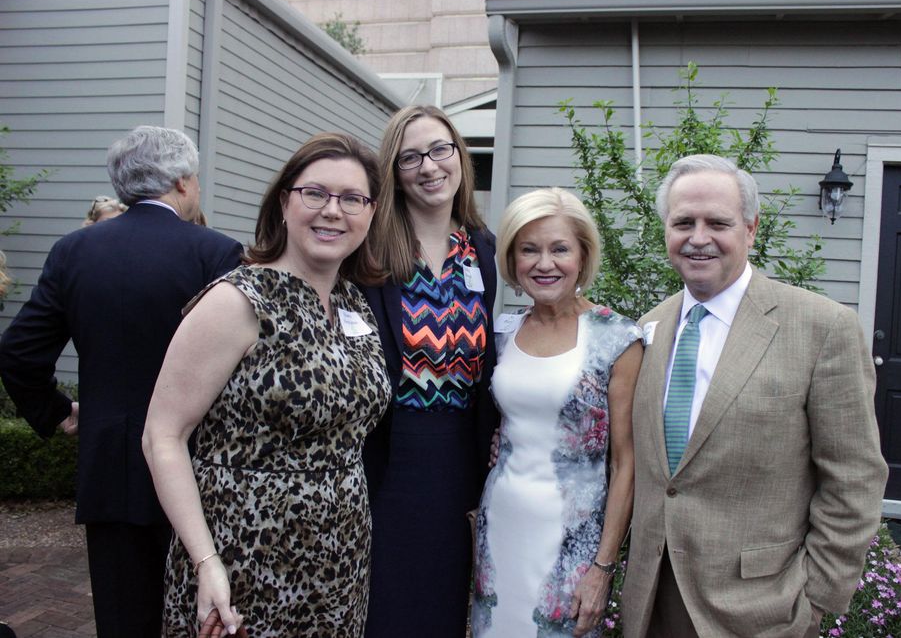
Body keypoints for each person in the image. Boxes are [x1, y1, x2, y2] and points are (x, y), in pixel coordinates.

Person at [622, 154, 888, 638]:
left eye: (717, 222)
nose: (698, 237)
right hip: (653, 599)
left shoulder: (822, 328)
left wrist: (815, 601)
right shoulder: (648, 329)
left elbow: (855, 478)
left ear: (750, 229)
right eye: (683, 222)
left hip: (763, 611)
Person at [142, 132, 391, 637]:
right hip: (243, 558)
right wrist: (205, 562)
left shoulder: (353, 304)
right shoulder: (237, 302)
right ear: (284, 202)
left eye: (351, 199)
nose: (332, 211)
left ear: (370, 213)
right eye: (315, 193)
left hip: (340, 561)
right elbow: (161, 437)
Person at [0, 125, 242, 637]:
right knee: (204, 615)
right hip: (202, 472)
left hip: (109, 465)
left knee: (122, 620)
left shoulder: (75, 251)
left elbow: (18, 352)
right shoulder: (216, 252)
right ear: (181, 182)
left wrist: (57, 410)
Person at [471, 188, 642, 638]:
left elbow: (626, 464)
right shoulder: (504, 332)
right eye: (529, 249)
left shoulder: (617, 338)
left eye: (559, 249)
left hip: (571, 546)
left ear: (582, 256)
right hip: (500, 532)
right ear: (512, 259)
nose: (544, 263)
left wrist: (603, 567)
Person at [359, 105, 499, 638]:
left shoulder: (481, 248)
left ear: (460, 157)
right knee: (386, 604)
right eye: (410, 157)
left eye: (440, 150)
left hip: (459, 457)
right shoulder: (372, 247)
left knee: (443, 604)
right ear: (393, 172)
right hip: (389, 457)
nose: (428, 166)